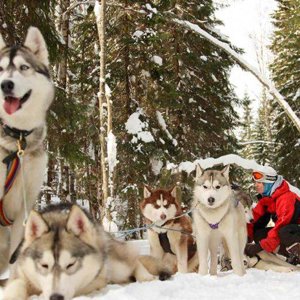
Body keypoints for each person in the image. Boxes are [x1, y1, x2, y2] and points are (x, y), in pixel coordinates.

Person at [245, 169, 300, 265]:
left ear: (269, 183)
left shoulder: (286, 198)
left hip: (294, 232)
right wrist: (245, 238)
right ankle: (288, 255)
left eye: (260, 182)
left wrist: (260, 246)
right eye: (255, 182)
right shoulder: (268, 199)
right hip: (292, 234)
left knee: (285, 231)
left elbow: (281, 225)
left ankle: (297, 255)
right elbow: (254, 219)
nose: (256, 185)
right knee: (259, 234)